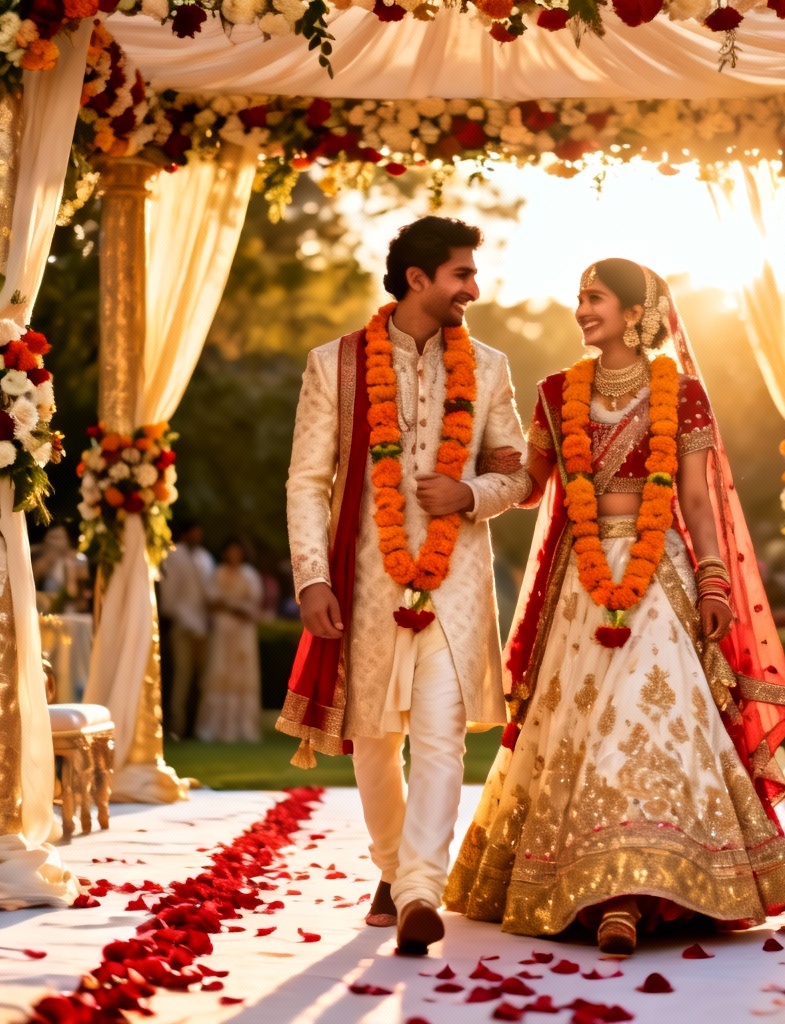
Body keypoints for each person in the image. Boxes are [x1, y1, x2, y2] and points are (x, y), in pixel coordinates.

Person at [444, 259, 785, 956]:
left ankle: (634, 894)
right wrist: (466, 484)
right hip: (579, 582)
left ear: (637, 311)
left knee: (648, 717)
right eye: (579, 298)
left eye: (596, 299)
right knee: (582, 726)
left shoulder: (685, 396)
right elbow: (529, 484)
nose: (581, 310)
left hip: (659, 577)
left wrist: (711, 582)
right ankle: (602, 888)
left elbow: (697, 502)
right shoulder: (556, 393)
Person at [276, 216, 531, 955]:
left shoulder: (488, 366)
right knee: (374, 740)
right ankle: (393, 864)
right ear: (418, 279)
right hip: (364, 578)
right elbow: (306, 481)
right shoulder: (337, 365)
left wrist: (471, 494)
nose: (472, 289)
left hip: (456, 577)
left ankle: (420, 886)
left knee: (441, 733)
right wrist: (310, 578)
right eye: (460, 274)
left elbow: (518, 473)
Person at [194, 538, 264, 743]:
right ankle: (215, 727)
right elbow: (212, 601)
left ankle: (243, 727)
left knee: (242, 674)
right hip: (223, 630)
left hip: (242, 632)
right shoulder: (219, 573)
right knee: (219, 671)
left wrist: (231, 607)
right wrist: (234, 608)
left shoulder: (250, 574)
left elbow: (253, 605)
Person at [158, 520, 215, 740]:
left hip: (202, 624)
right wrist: (170, 614)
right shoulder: (174, 554)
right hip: (182, 623)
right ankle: (177, 726)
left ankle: (195, 726)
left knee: (200, 678)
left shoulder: (205, 557)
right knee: (182, 677)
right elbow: (169, 587)